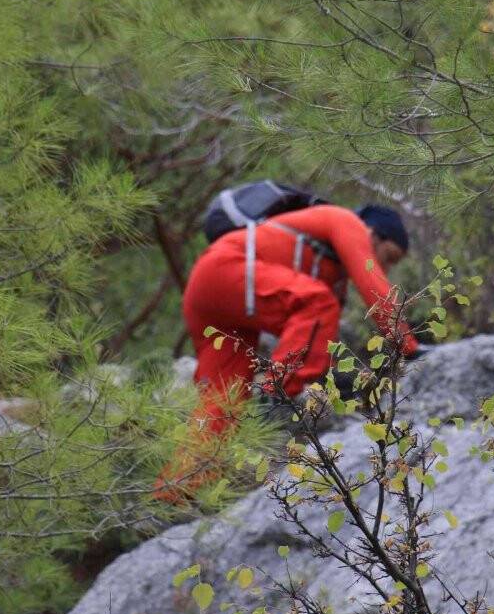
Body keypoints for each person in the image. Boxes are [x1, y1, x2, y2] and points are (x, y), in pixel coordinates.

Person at [153, 202, 421, 502]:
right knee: (317, 304)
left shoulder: (331, 271)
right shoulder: (346, 220)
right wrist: (408, 347)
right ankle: (276, 396)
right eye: (389, 257)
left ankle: (175, 492)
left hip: (209, 286)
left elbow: (321, 341)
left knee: (224, 402)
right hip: (228, 268)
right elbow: (372, 284)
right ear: (374, 234)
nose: (384, 267)